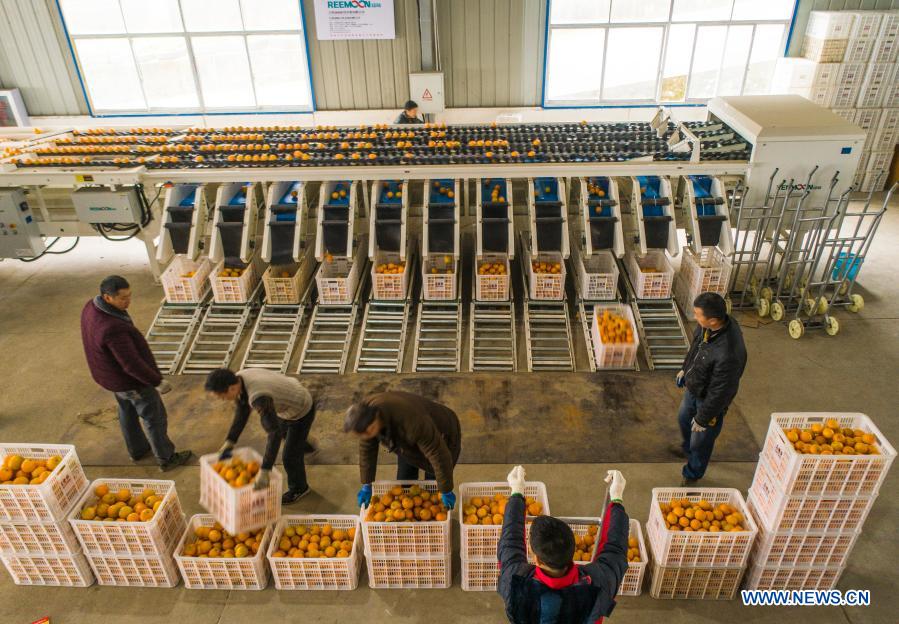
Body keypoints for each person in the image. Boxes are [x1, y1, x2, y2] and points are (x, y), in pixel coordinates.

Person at [80, 275, 191, 472]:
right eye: (123, 298)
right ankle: (166, 458)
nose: (128, 301)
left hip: (110, 377)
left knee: (127, 411)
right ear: (107, 298)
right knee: (154, 418)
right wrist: (157, 381)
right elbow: (131, 365)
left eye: (129, 295)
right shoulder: (113, 329)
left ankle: (137, 450)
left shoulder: (91, 307)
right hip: (130, 382)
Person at [497, 466, 629, 623]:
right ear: (572, 551)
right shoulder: (597, 583)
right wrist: (617, 498)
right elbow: (615, 550)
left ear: (537, 559)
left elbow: (510, 543)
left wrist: (517, 492)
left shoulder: (514, 583)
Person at [205, 367, 316, 504]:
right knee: (288, 435)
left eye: (222, 396)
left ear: (232, 388)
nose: (222, 399)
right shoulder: (240, 378)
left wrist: (265, 470)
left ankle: (300, 488)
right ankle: (303, 445)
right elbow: (242, 410)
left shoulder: (259, 397)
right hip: (285, 400)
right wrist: (230, 440)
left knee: (289, 456)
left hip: (300, 408)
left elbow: (273, 433)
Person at [674, 291, 748, 485]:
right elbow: (696, 348)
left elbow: (722, 391)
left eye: (698, 315)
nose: (695, 317)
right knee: (683, 418)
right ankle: (688, 449)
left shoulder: (729, 353)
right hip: (695, 386)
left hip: (709, 401)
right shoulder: (708, 327)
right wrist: (685, 369)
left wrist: (703, 417)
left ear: (713, 320)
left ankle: (693, 473)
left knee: (701, 441)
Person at [344, 391, 460, 510]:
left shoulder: (411, 421)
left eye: (368, 432)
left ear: (376, 418)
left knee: (433, 486)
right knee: (405, 481)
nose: (366, 436)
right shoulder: (364, 416)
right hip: (405, 439)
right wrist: (366, 484)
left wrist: (446, 489)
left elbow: (438, 453)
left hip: (440, 432)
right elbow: (367, 449)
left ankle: (432, 514)